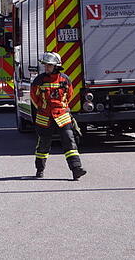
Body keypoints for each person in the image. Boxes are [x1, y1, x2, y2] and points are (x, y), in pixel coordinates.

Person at [31, 52, 86, 180]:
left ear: (56, 66)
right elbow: (34, 97)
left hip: (62, 115)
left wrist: (62, 107)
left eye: (49, 65)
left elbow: (69, 95)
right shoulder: (39, 80)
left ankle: (76, 169)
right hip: (44, 116)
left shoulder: (65, 79)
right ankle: (40, 169)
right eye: (45, 65)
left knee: (69, 141)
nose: (46, 68)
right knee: (44, 144)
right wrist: (42, 108)